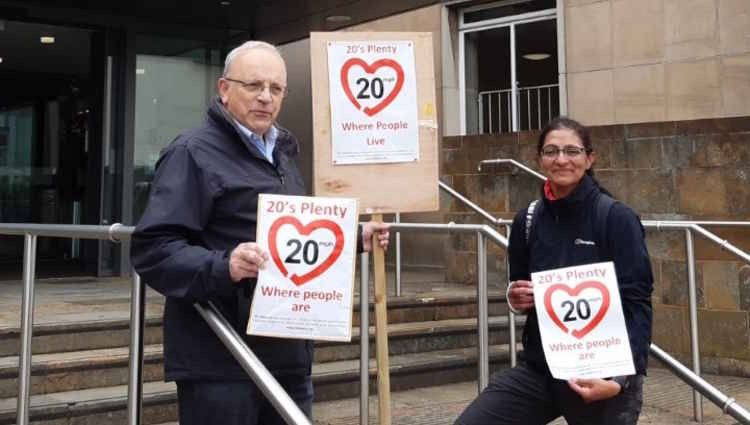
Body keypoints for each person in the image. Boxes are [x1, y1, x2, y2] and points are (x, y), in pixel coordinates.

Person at [130, 40, 389, 425]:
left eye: (276, 88)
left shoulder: (282, 154)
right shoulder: (192, 152)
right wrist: (226, 266)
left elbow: (292, 238)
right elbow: (154, 249)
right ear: (224, 89)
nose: (265, 98)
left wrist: (352, 238)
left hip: (288, 354)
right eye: (253, 86)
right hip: (222, 357)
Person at [455, 117, 653, 425]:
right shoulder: (527, 220)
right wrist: (515, 298)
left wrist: (619, 380)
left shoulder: (616, 218)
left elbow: (638, 303)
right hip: (542, 369)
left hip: (604, 374)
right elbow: (518, 285)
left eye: (572, 151)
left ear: (590, 159)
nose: (561, 159)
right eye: (551, 151)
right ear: (539, 159)